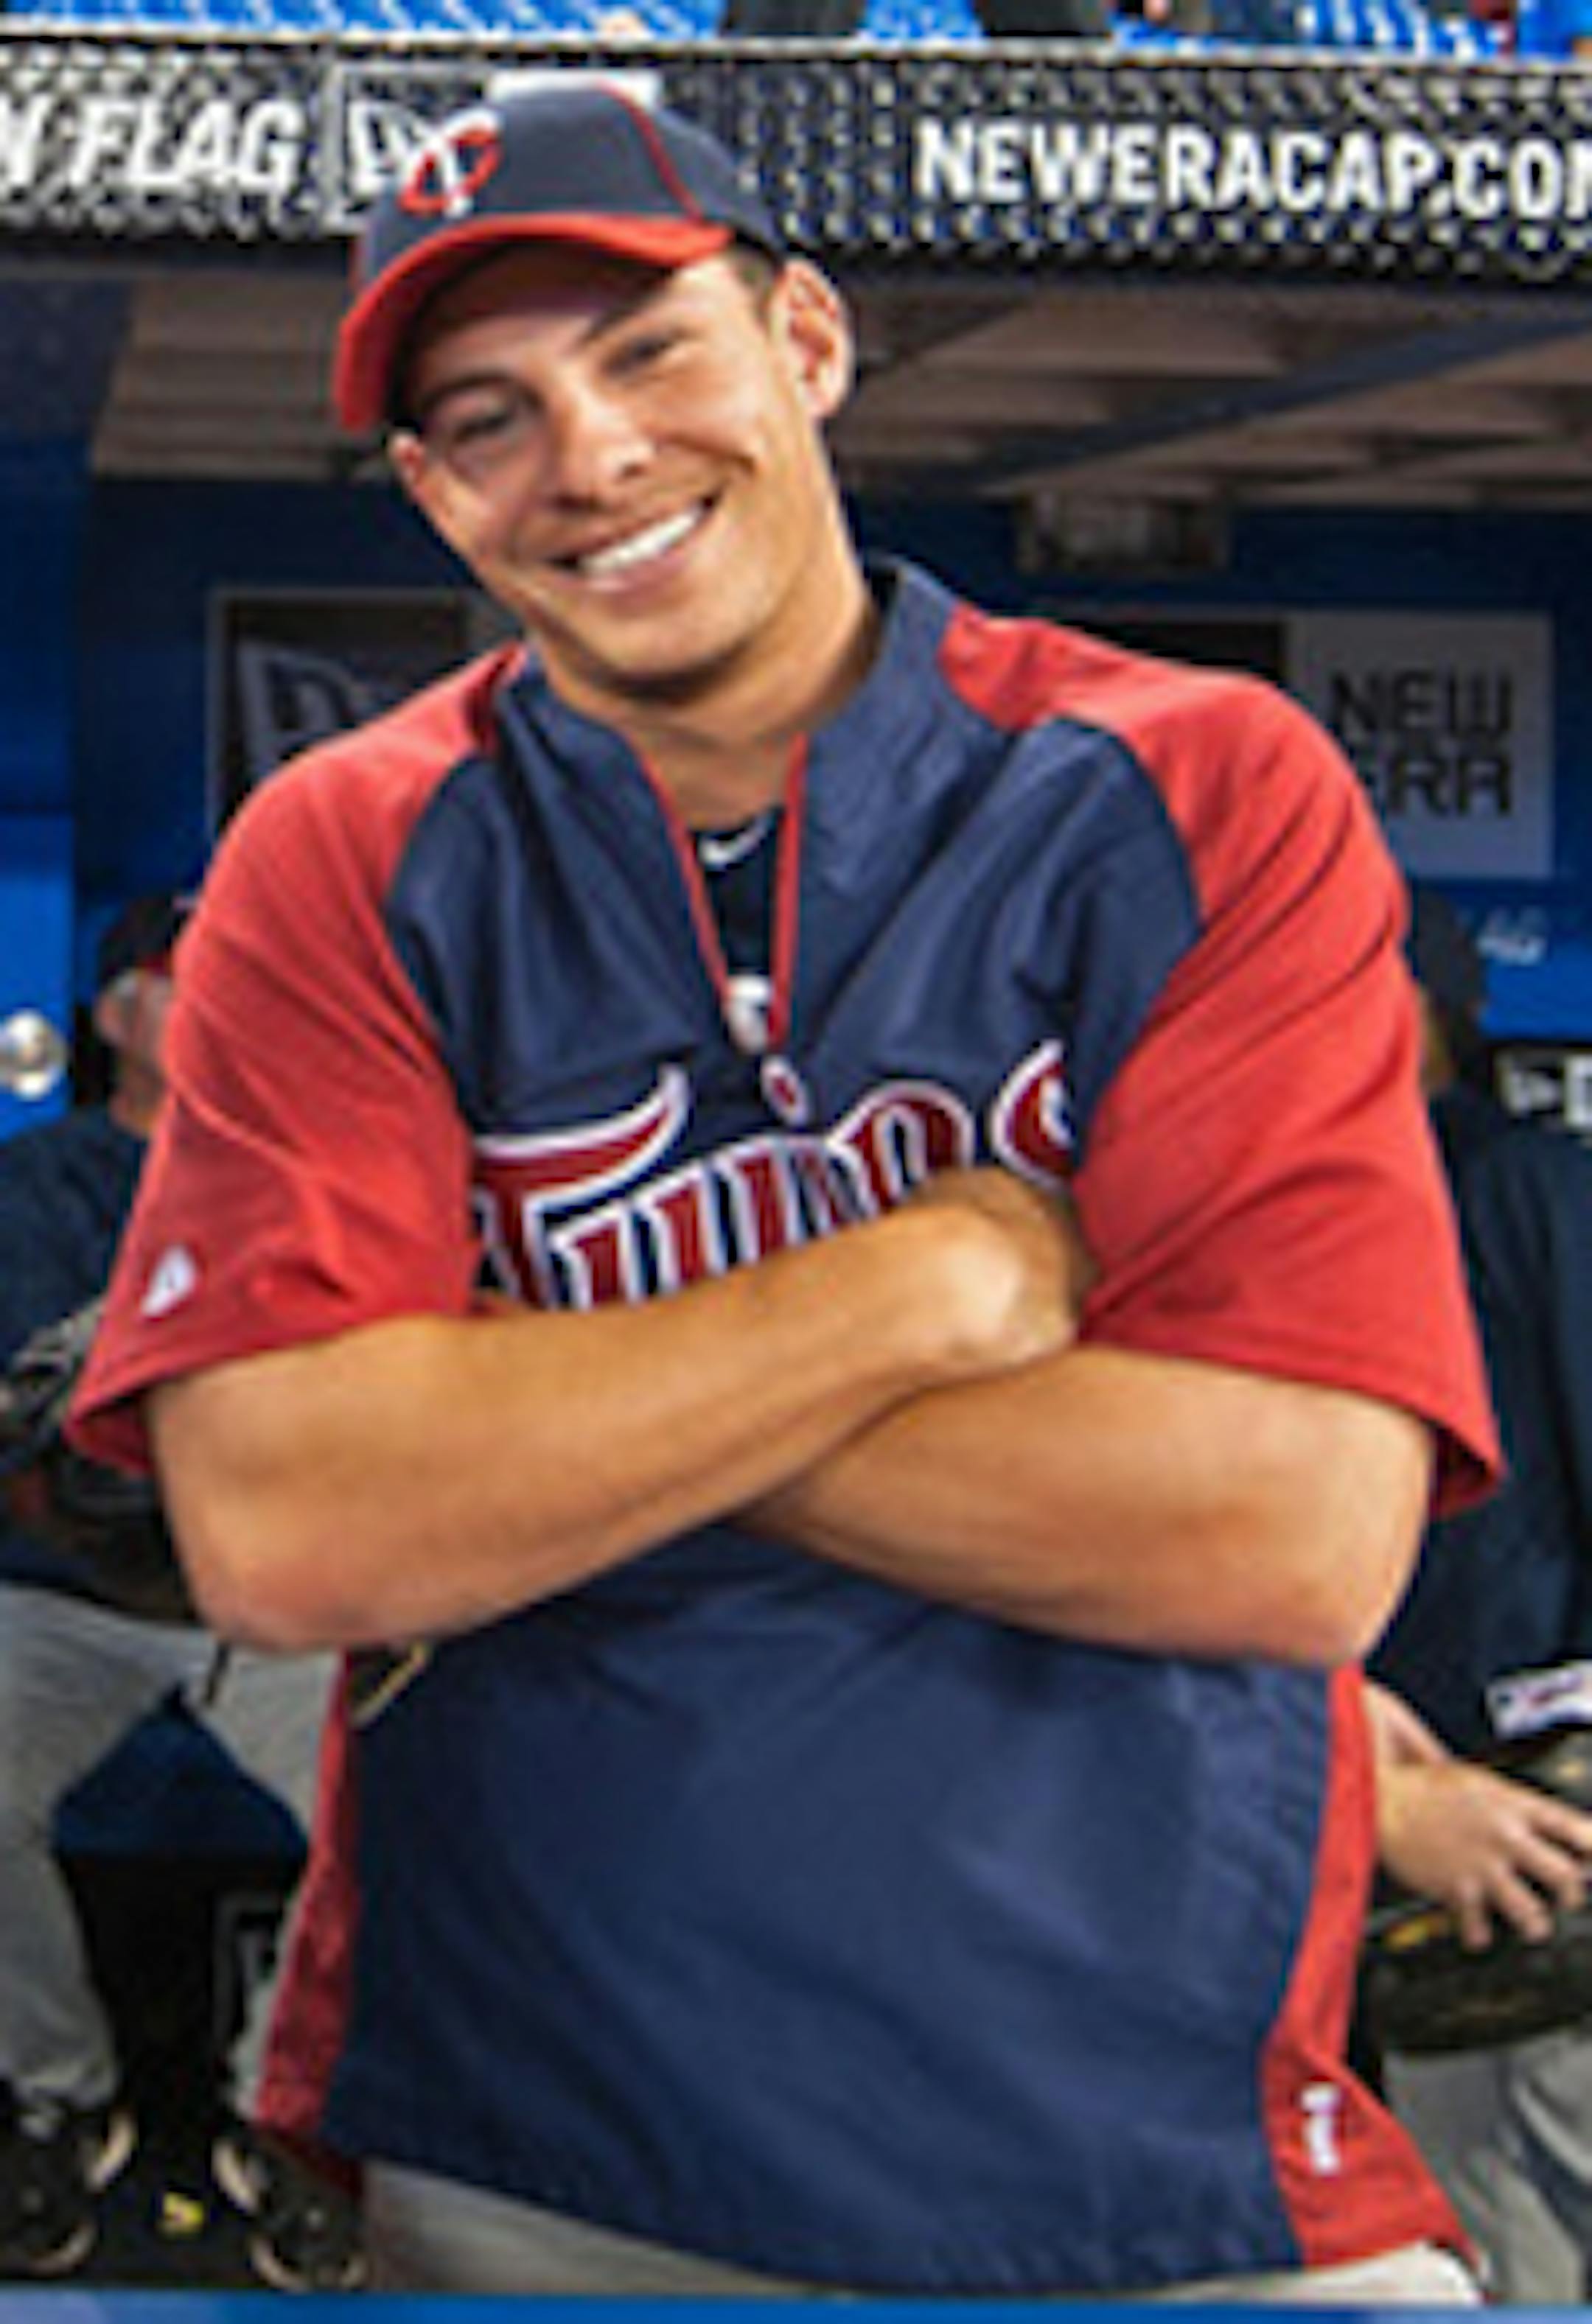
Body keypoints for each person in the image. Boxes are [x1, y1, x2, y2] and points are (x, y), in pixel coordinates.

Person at [72, 82, 1500, 2300]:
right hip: (545, 2143)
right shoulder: (346, 855)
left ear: (807, 340)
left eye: (650, 350)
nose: (596, 458)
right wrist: (936, 1279)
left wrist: (512, 1397)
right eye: (494, 417)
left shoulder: (1195, 785)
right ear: (440, 494)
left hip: (1162, 2146)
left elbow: (1292, 1528)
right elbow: (292, 1522)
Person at [0, 894, 360, 2290]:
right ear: (113, 1015)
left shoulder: (308, 1182)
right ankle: (54, 2090)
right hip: (70, 1601)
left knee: (411, 1793)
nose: (210, 999)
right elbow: (33, 1447)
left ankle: (283, 2112)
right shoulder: (39, 1187)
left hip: (265, 1600)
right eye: (173, 977)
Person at [1366, 883, 1592, 2303]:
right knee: (1460, 2184)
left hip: (1550, 1757)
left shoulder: (1521, 1178)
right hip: (1407, 1774)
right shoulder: (1323, 1205)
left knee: (1551, 2154)